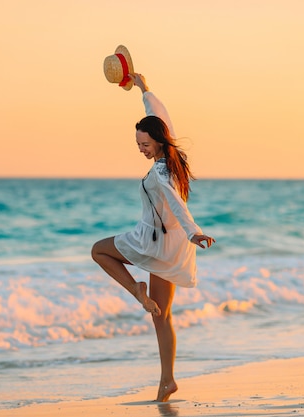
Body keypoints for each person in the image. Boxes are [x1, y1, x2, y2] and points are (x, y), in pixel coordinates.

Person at [91, 73, 215, 402]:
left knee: (98, 251)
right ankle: (167, 381)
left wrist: (195, 232)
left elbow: (175, 200)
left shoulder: (162, 171)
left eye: (145, 144)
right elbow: (161, 115)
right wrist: (145, 89)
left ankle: (135, 289)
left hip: (151, 241)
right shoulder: (173, 158)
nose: (141, 149)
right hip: (173, 248)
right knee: (162, 315)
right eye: (138, 145)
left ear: (158, 142)